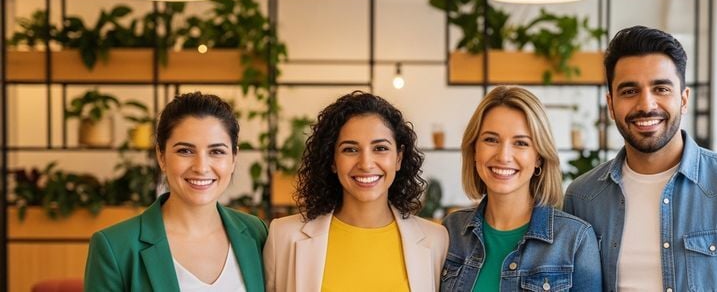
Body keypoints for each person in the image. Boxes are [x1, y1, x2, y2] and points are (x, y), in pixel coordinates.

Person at [564, 25, 717, 291]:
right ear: (611, 105)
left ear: (684, 99)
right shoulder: (581, 198)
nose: (646, 105)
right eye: (629, 91)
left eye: (661, 89)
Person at [263, 91, 448, 292]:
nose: (366, 164)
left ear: (398, 158)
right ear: (332, 160)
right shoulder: (283, 237)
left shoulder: (436, 240)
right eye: (350, 149)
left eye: (380, 148)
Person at [84, 92, 268, 291]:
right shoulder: (115, 246)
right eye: (185, 151)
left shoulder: (256, 233)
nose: (201, 167)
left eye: (217, 151)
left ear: (233, 158)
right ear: (161, 156)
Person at [441, 86, 602, 291]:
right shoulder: (451, 231)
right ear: (474, 150)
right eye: (491, 140)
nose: (503, 156)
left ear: (539, 158)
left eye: (521, 143)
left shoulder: (575, 239)